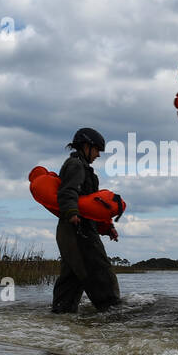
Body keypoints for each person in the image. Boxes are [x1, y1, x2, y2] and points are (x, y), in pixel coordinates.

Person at [51, 128, 121, 313]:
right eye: (97, 149)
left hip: (72, 230)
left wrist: (107, 227)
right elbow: (68, 191)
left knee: (71, 278)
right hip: (77, 229)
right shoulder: (75, 165)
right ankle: (113, 313)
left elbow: (92, 205)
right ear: (86, 146)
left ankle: (60, 316)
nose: (98, 154)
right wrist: (72, 213)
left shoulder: (85, 169)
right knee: (99, 271)